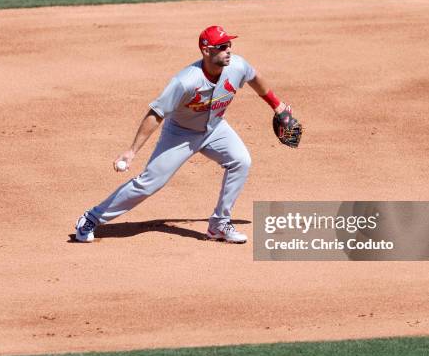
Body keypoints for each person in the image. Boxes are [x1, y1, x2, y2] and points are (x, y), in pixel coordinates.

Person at [75, 25, 297, 244]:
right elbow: (157, 113)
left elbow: (254, 77)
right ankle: (91, 218)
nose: (228, 50)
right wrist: (131, 151)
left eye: (229, 45)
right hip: (180, 134)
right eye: (221, 46)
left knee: (241, 161)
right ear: (206, 50)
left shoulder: (237, 66)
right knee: (150, 182)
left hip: (215, 128)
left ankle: (219, 224)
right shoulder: (185, 81)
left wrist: (277, 106)